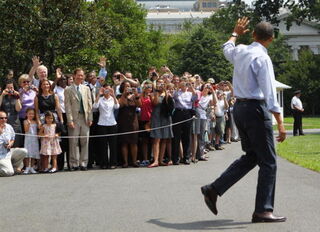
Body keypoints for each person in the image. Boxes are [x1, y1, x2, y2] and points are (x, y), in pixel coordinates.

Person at [200, 18, 287, 223]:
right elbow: (269, 93)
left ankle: (214, 189)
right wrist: (280, 122)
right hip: (255, 109)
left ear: (253, 35)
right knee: (269, 162)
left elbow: (226, 48)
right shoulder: (262, 58)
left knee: (252, 156)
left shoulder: (241, 50)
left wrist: (235, 31)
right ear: (271, 39)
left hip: (239, 107)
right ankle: (263, 210)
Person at [64, 68, 93, 171]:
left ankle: (83, 163)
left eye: (82, 75)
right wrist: (70, 120)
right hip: (74, 118)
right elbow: (67, 106)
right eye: (78, 75)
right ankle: (74, 163)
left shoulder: (86, 88)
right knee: (74, 141)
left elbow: (89, 104)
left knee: (85, 141)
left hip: (84, 118)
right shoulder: (68, 89)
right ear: (74, 76)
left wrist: (90, 118)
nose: (80, 77)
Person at [93, 85, 119, 169]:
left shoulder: (112, 99)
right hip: (102, 124)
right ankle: (104, 163)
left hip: (112, 123)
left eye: (108, 89)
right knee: (103, 145)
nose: (107, 90)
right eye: (105, 89)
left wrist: (113, 95)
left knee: (113, 145)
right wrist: (99, 94)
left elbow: (117, 106)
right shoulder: (100, 99)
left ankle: (113, 163)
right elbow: (95, 106)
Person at [0, 111, 28, 177]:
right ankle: (9, 169)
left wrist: (10, 144)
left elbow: (12, 138)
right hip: (1, 156)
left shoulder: (9, 127)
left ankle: (14, 168)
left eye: (5, 118)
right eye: (1, 118)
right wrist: (1, 133)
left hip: (8, 152)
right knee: (9, 172)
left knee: (24, 151)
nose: (4, 120)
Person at [0, 80, 23, 147]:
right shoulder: (2, 96)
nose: (10, 89)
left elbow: (18, 109)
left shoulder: (16, 97)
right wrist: (2, 95)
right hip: (3, 123)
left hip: (15, 123)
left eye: (11, 88)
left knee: (16, 143)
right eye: (8, 88)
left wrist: (17, 97)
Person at [23, 108, 40, 174]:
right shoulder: (25, 121)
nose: (31, 115)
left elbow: (38, 129)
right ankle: (27, 167)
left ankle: (32, 167)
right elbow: (26, 130)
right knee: (28, 154)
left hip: (34, 139)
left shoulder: (35, 121)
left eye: (32, 114)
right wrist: (28, 124)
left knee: (33, 153)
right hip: (28, 139)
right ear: (26, 114)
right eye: (29, 114)